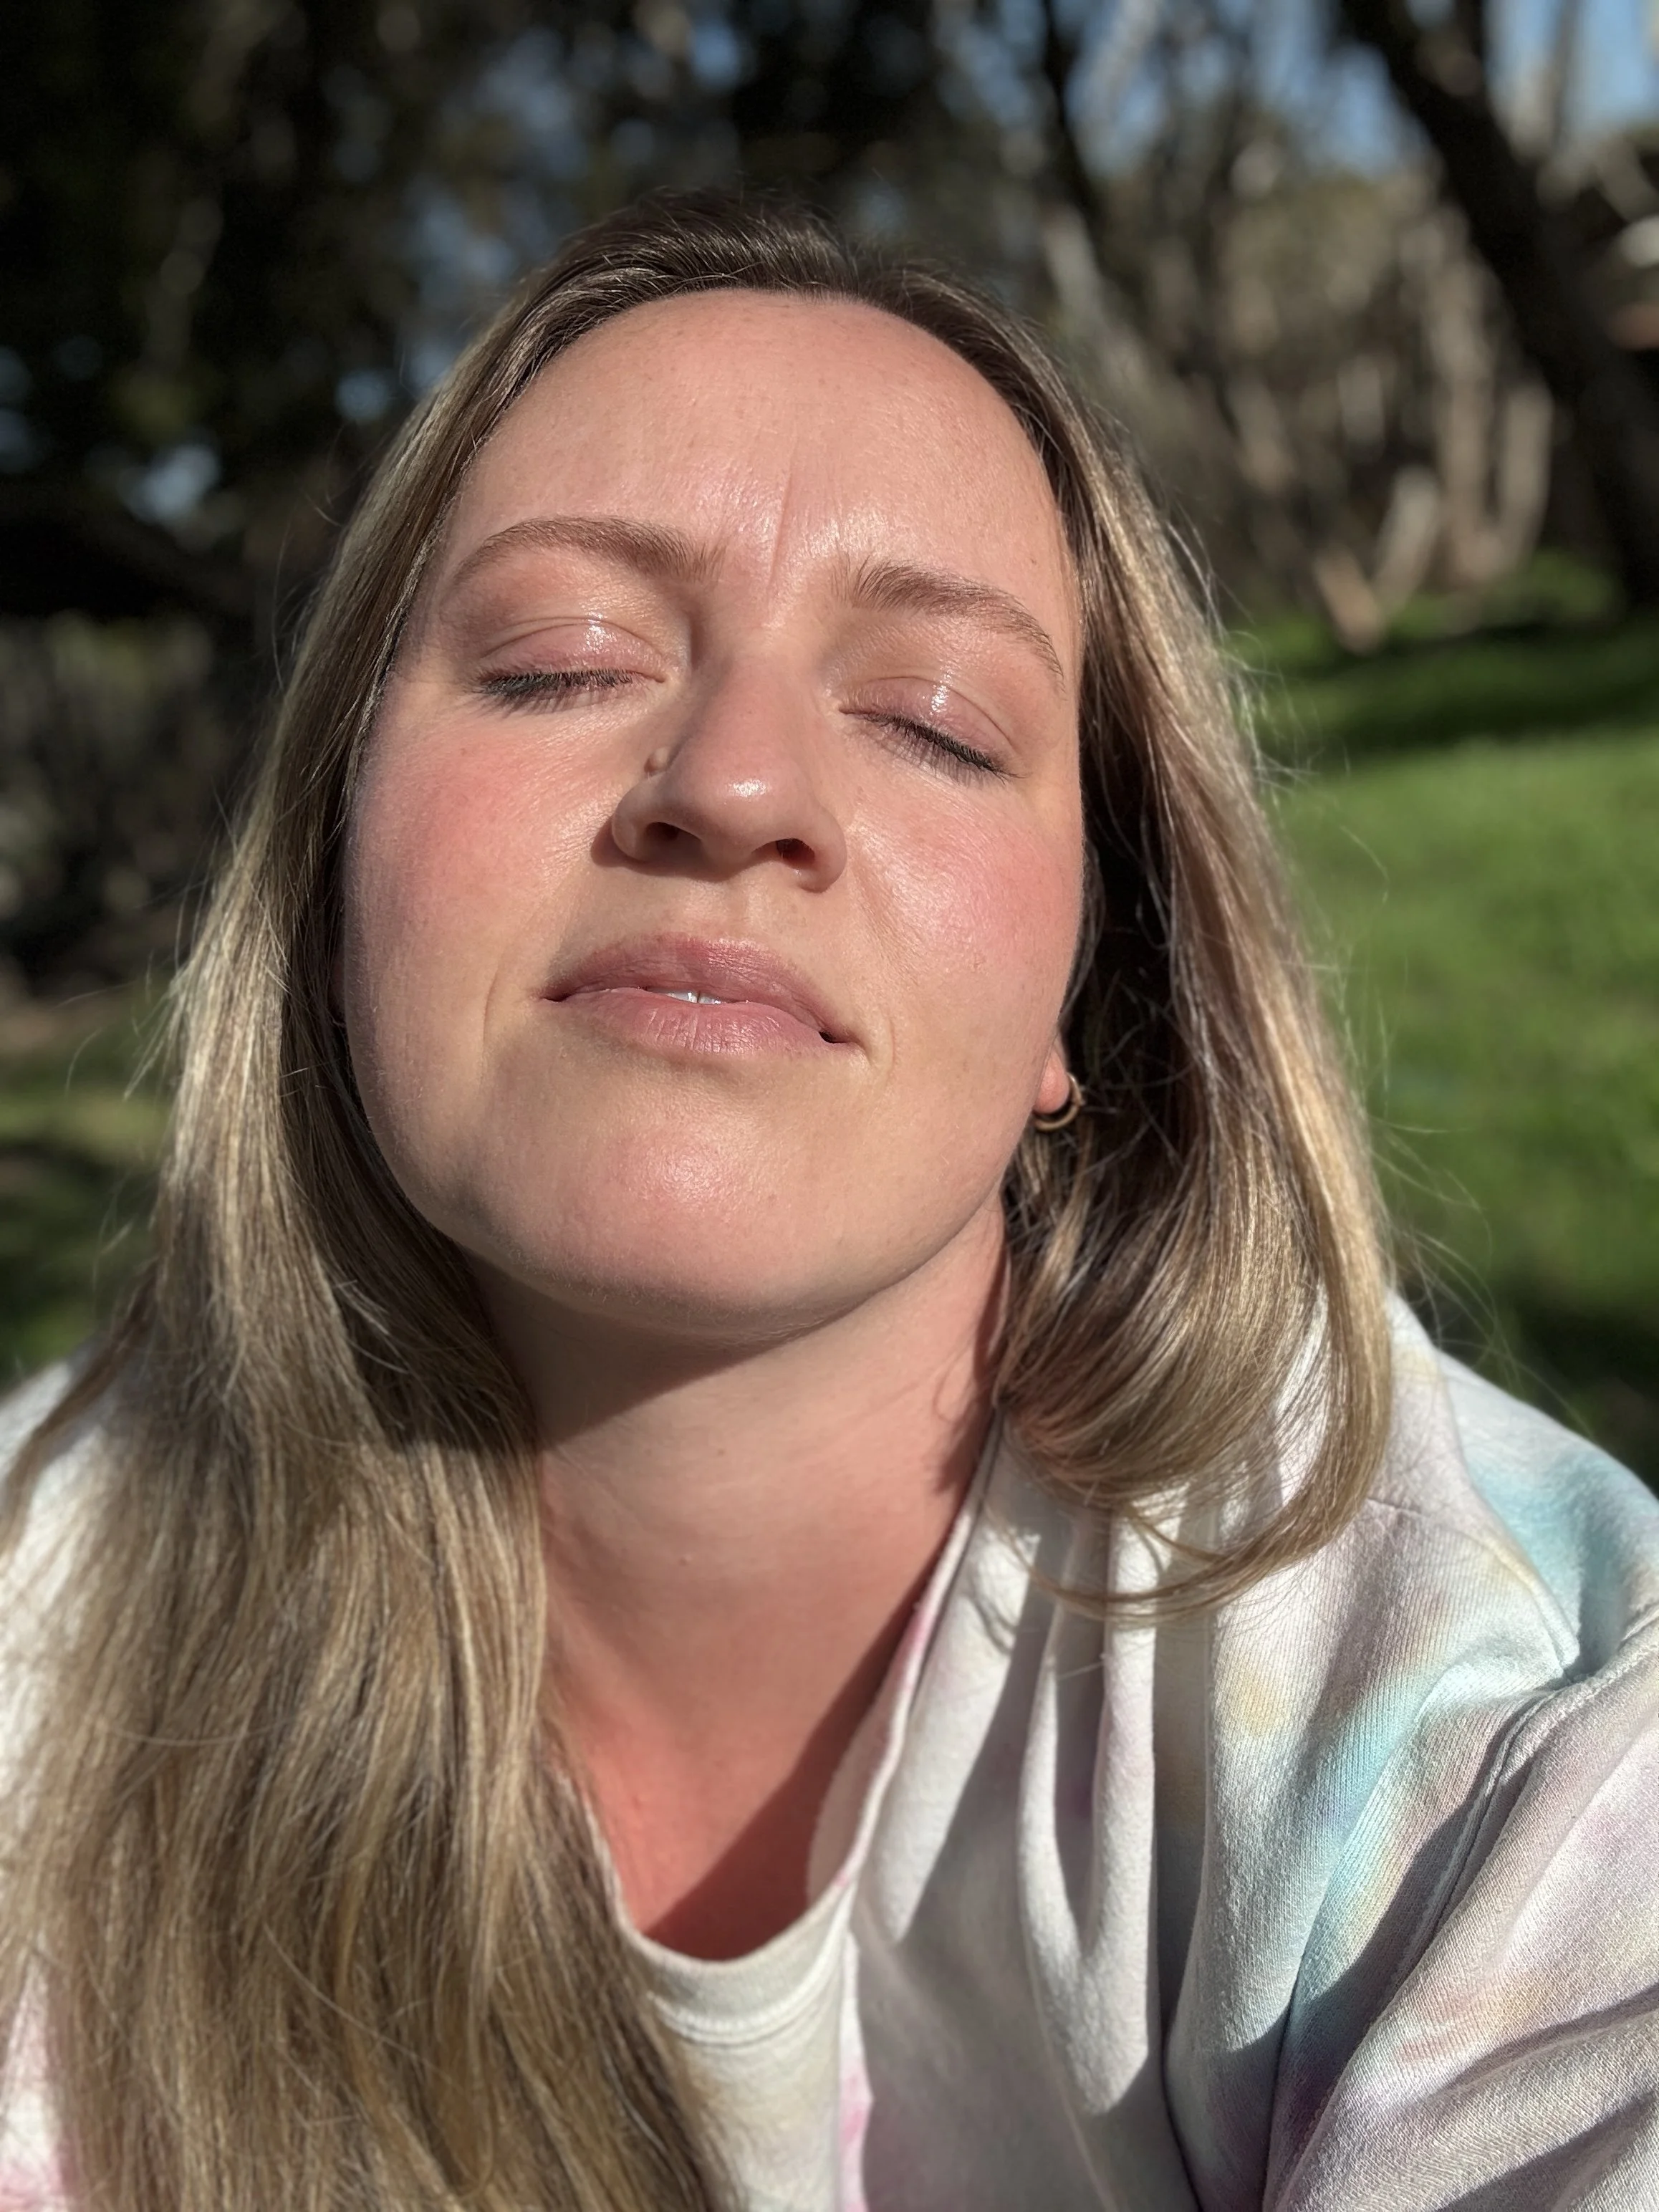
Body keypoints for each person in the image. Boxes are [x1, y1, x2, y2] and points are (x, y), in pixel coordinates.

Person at [1, 191, 1655, 2212]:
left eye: (932, 719)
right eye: (559, 660)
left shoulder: (1509, 1742)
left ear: (1090, 986)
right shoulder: (41, 1642)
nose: (734, 781)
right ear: (333, 854)